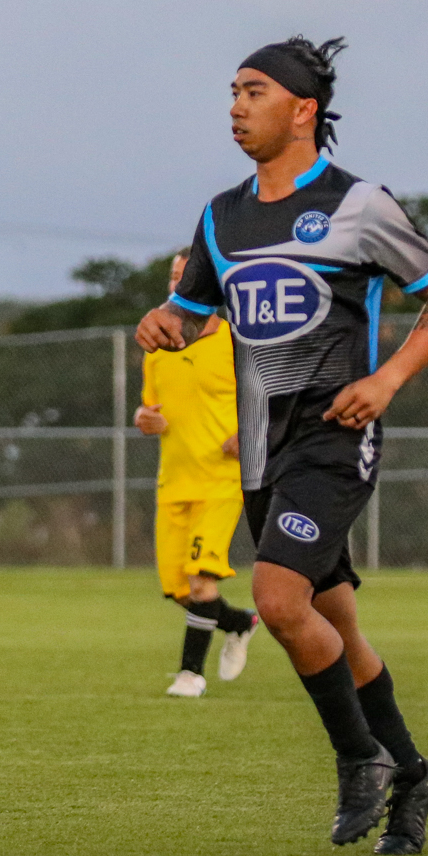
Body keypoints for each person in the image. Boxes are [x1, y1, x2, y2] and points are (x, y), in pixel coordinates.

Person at [135, 36, 428, 854]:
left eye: (252, 92)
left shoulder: (361, 206)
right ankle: (414, 771)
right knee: (338, 626)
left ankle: (360, 759)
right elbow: (194, 311)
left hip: (333, 439)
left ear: (302, 109)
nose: (234, 106)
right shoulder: (222, 215)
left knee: (281, 601)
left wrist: (386, 381)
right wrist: (166, 323)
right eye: (231, 92)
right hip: (259, 452)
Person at [136, 250, 260, 698]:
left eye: (184, 277)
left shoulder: (237, 342)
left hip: (222, 480)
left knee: (201, 579)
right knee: (179, 589)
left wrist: (248, 431)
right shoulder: (157, 348)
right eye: (171, 277)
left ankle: (191, 673)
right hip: (174, 480)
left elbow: (269, 399)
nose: (176, 286)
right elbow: (149, 408)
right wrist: (143, 418)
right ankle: (240, 621)